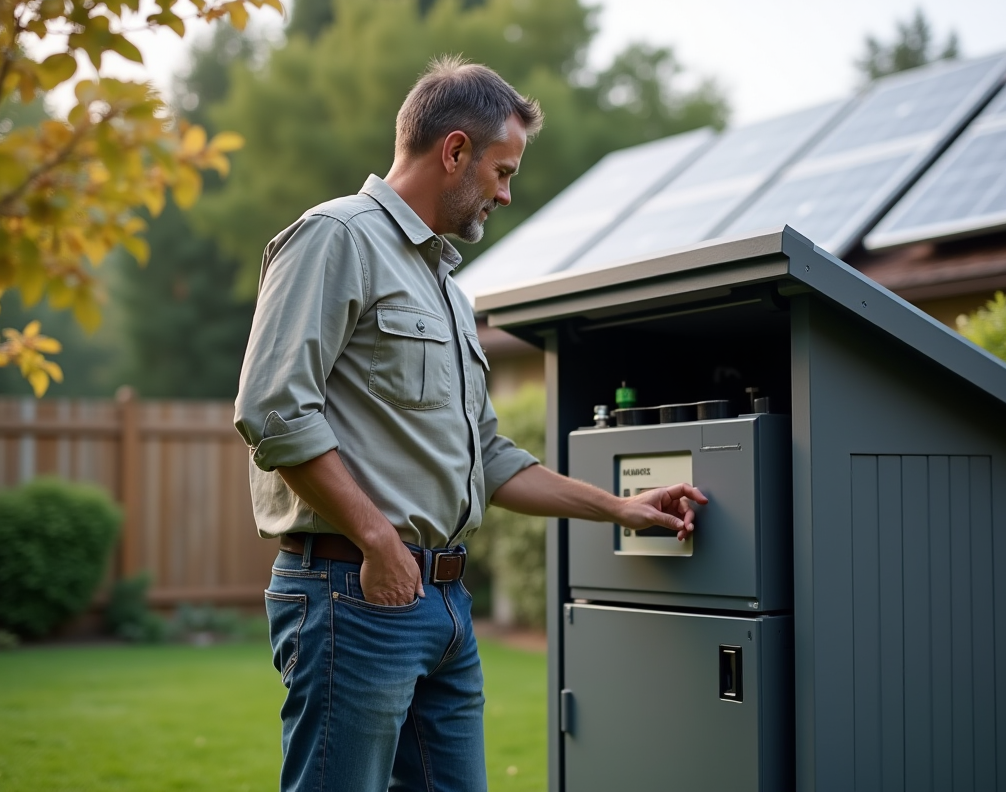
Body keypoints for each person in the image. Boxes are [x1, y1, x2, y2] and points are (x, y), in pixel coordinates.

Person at [234, 56, 708, 792]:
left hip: (445, 606)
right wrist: (378, 539)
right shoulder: (336, 238)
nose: (507, 193)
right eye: (502, 170)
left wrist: (621, 509)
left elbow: (486, 455)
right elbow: (273, 409)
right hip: (353, 592)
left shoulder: (448, 290)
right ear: (454, 150)